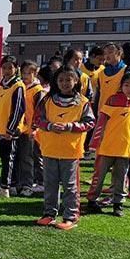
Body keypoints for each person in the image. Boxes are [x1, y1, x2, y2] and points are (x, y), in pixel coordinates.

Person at [34, 66, 95, 230]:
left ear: (76, 81)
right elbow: (37, 119)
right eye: (61, 79)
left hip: (70, 151)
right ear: (56, 81)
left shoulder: (83, 102)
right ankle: (49, 214)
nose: (65, 83)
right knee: (50, 184)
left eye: (69, 79)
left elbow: (90, 123)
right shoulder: (47, 100)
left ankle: (70, 216)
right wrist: (49, 126)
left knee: (70, 186)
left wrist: (70, 126)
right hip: (49, 149)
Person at [87, 71, 130, 217]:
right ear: (121, 86)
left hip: (125, 149)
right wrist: (94, 142)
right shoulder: (112, 100)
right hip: (106, 147)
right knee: (99, 175)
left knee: (120, 177)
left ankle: (118, 204)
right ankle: (92, 200)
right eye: (126, 85)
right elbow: (100, 122)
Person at [0, 55, 25, 197]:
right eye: (4, 68)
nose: (7, 70)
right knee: (6, 158)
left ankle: (5, 188)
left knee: (8, 159)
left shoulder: (18, 86)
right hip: (0, 128)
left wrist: (11, 129)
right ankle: (13, 185)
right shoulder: (3, 84)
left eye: (10, 67)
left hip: (9, 131)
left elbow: (18, 110)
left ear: (16, 69)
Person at [14, 60, 46, 197]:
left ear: (35, 73)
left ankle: (28, 184)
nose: (26, 75)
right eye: (24, 73)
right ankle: (18, 183)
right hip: (18, 128)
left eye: (29, 73)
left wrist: (34, 128)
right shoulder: (19, 87)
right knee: (17, 157)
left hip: (30, 130)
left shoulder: (38, 90)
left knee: (29, 157)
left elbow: (40, 112)